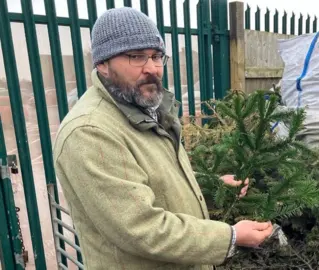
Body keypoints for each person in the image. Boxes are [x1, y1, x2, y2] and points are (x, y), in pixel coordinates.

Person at [53, 7, 273, 270]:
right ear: (102, 63)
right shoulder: (90, 132)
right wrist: (231, 237)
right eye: (136, 56)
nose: (152, 69)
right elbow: (140, 228)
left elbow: (155, 182)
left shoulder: (145, 110)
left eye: (157, 56)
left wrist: (209, 187)